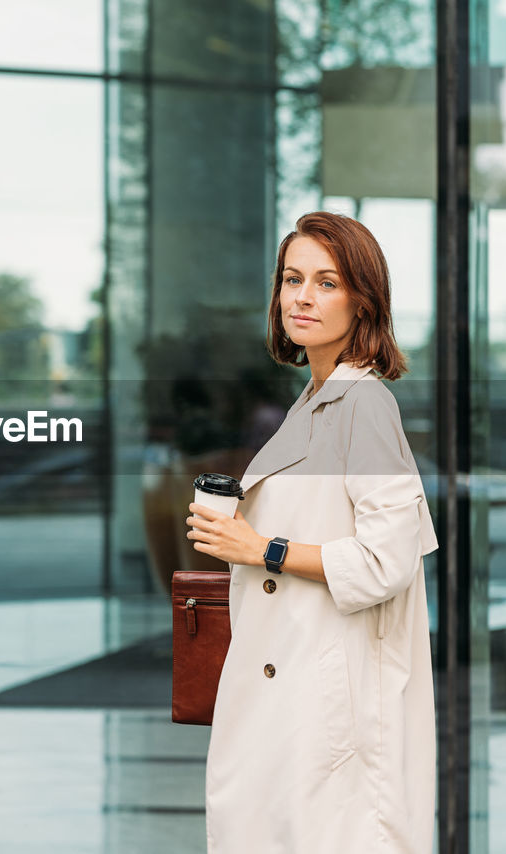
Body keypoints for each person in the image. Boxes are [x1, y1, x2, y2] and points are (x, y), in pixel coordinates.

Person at [185, 211, 440, 853]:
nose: (302, 296)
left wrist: (260, 547)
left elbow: (387, 561)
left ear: (363, 302)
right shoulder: (315, 399)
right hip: (289, 681)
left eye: (327, 282)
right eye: (292, 278)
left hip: (330, 701)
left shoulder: (365, 403)